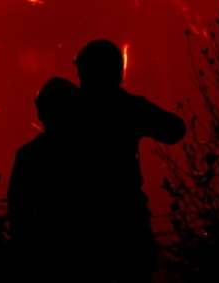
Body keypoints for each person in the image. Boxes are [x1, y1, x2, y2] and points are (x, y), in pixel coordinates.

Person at [73, 39, 186, 283]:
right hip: (125, 220)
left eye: (82, 72)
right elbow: (174, 130)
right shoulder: (128, 107)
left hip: (83, 225)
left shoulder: (72, 111)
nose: (80, 79)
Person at [7, 77, 88, 282]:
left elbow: (17, 213)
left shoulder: (28, 156)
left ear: (40, 110)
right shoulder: (91, 153)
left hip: (42, 258)